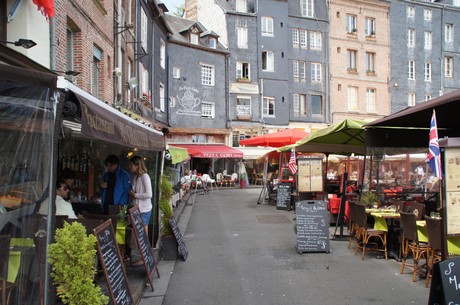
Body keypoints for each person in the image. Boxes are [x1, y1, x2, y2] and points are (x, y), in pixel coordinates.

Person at [128, 156, 152, 267]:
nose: (130, 167)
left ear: (137, 165)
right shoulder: (136, 177)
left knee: (143, 235)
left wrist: (135, 194)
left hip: (144, 210)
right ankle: (144, 257)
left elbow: (149, 194)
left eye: (131, 165)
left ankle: (146, 258)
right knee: (140, 235)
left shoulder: (145, 177)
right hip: (137, 209)